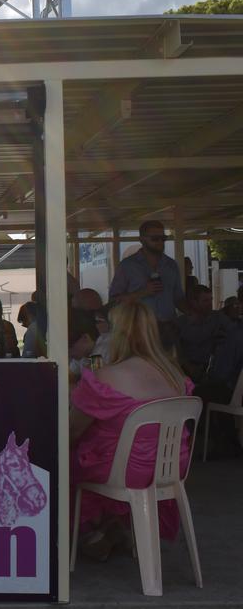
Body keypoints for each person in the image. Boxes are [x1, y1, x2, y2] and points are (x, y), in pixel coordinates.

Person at [70, 301, 194, 560]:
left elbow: (73, 430)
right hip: (171, 469)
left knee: (67, 460)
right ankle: (112, 528)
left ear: (116, 333)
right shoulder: (177, 377)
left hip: (126, 470)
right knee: (102, 451)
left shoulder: (105, 377)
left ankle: (90, 533)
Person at [109, 220, 186, 344]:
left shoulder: (171, 265)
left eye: (163, 238)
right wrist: (142, 292)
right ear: (142, 240)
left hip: (168, 329)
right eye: (155, 238)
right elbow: (113, 301)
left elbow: (178, 298)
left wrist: (194, 313)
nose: (160, 242)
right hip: (138, 330)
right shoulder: (127, 266)